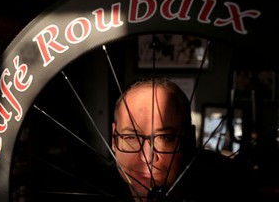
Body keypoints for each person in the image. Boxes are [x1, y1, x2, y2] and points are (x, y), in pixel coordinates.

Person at [110, 77, 257, 202]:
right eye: (131, 137)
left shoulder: (232, 184)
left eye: (165, 137)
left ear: (189, 139)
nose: (147, 158)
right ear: (113, 139)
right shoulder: (94, 184)